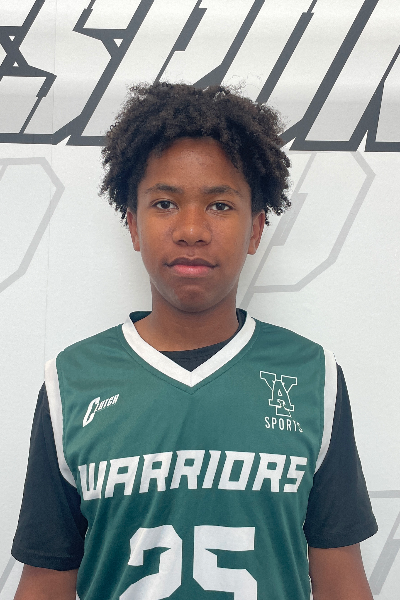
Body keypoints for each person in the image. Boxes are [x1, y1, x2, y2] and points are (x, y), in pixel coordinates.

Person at [12, 83, 377, 600]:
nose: (191, 230)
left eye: (219, 205)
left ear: (256, 229)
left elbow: (342, 582)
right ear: (133, 225)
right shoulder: (72, 381)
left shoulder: (312, 377)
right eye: (165, 203)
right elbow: (45, 583)